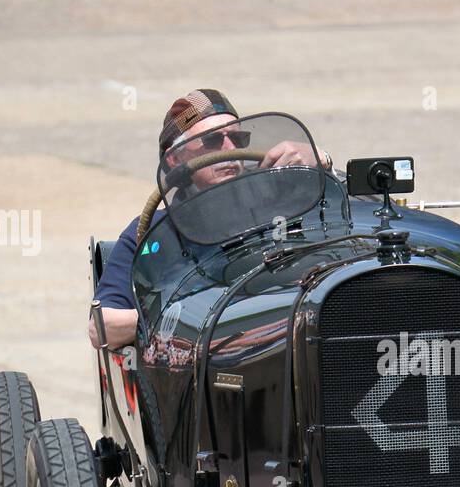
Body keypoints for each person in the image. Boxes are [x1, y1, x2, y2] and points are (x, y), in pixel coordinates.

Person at [89, 89, 331, 347]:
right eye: (213, 141)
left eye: (237, 138)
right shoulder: (153, 231)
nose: (229, 149)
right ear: (175, 158)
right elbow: (101, 326)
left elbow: (344, 218)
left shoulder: (278, 193)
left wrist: (320, 161)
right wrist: (181, 321)